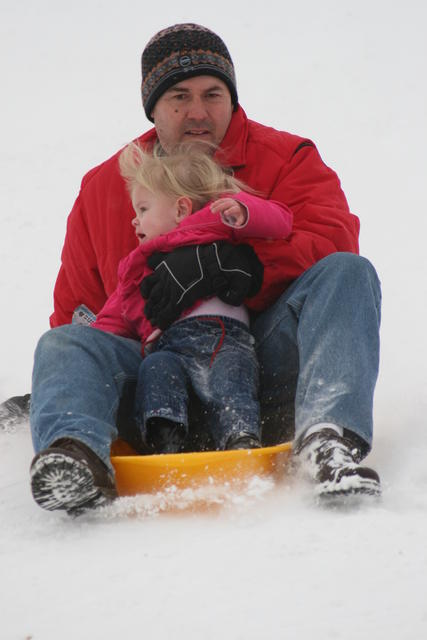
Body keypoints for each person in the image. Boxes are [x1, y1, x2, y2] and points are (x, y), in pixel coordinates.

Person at [24, 22, 381, 510]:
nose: (198, 112)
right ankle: (76, 455)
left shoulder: (286, 159)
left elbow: (331, 238)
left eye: (213, 94)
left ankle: (327, 439)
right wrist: (65, 380)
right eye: (179, 96)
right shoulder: (104, 188)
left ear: (232, 99)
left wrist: (235, 266)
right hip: (156, 380)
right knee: (63, 341)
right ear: (153, 107)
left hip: (262, 369)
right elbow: (78, 310)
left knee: (348, 272)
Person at [93, 143, 293, 454]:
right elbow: (114, 315)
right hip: (171, 345)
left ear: (181, 209)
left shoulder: (215, 224)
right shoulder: (139, 265)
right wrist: (92, 344)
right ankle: (165, 434)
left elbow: (282, 220)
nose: (135, 220)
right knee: (156, 369)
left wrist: (244, 211)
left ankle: (239, 436)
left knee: (232, 375)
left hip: (226, 339)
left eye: (143, 209)